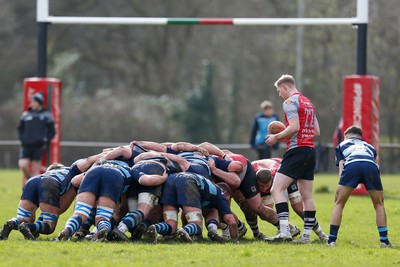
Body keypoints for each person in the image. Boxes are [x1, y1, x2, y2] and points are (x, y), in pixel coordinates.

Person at [265, 74, 321, 243]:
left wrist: (277, 137)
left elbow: (294, 127)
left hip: (296, 151)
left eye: (279, 91)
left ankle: (284, 232)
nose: (279, 95)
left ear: (285, 87)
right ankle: (306, 236)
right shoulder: (308, 102)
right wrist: (287, 135)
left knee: (276, 189)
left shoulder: (289, 102)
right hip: (310, 150)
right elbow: (316, 132)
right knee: (307, 196)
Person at [0, 153, 103, 240]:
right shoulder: (71, 171)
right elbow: (60, 208)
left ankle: (11, 223)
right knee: (50, 226)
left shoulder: (47, 173)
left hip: (32, 181)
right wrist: (104, 155)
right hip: (49, 184)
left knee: (23, 218)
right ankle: (27, 226)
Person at [327, 125, 393, 248]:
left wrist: (341, 187)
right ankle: (384, 241)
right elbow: (371, 162)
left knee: (339, 203)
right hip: (370, 166)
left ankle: (331, 241)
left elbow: (341, 168)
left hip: (352, 164)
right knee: (379, 203)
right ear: (360, 137)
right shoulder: (370, 147)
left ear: (346, 137)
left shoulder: (342, 145)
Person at [251, 158, 328, 241]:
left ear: (272, 179)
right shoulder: (251, 174)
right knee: (265, 213)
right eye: (262, 186)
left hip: (285, 175)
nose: (265, 189)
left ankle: (321, 233)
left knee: (299, 209)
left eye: (267, 186)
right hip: (265, 171)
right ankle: (290, 229)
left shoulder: (278, 172)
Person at [17, 92, 56, 185]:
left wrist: (44, 140)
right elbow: (20, 129)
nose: (31, 103)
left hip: (38, 146)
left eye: (33, 101)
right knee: (23, 165)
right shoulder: (25, 114)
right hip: (26, 145)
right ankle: (29, 179)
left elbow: (52, 132)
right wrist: (22, 139)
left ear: (39, 102)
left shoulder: (47, 115)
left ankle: (31, 189)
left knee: (36, 169)